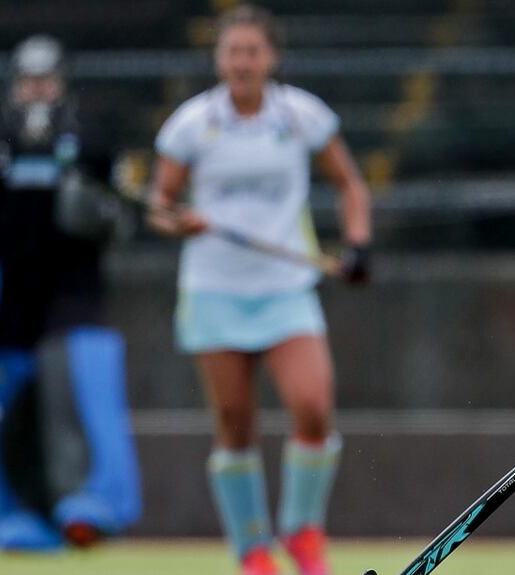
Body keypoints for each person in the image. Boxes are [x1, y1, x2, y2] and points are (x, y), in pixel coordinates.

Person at [148, 5, 371, 575]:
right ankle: (252, 550)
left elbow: (349, 184)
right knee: (235, 424)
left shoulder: (300, 115)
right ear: (219, 59)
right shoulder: (192, 124)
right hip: (214, 291)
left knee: (314, 406)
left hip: (285, 288)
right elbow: (159, 207)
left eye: (252, 51)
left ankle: (301, 532)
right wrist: (182, 220)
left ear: (270, 57)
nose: (241, 62)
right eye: (231, 52)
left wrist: (357, 245)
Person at [0, 35, 140, 551]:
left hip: (74, 296)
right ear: (15, 89)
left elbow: (125, 221)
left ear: (63, 86)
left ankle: (95, 504)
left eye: (46, 81)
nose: (38, 92)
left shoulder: (92, 150)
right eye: (29, 82)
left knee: (76, 392)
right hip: (9, 305)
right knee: (8, 413)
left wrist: (100, 207)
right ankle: (23, 515)